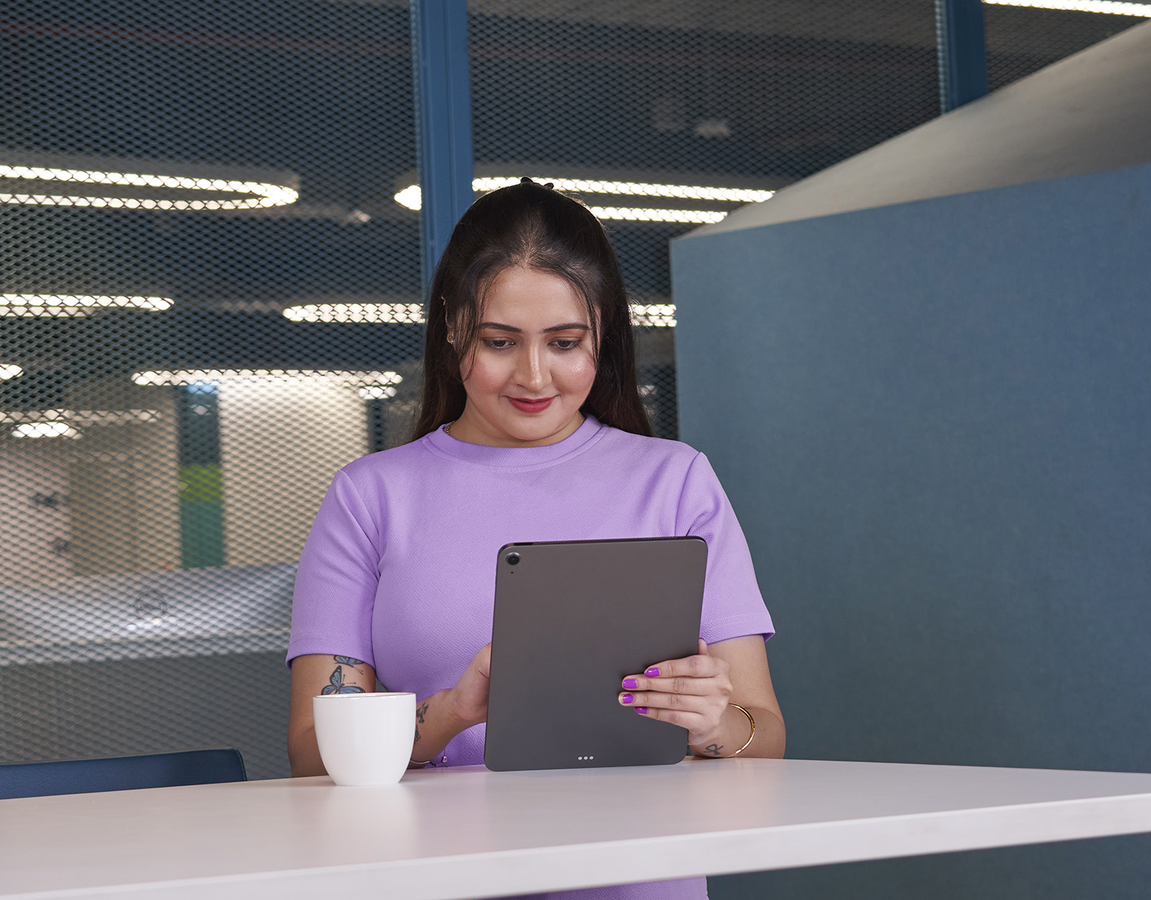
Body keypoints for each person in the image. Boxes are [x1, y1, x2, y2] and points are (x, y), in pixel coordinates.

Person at [285, 178, 784, 900]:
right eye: (499, 342)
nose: (532, 375)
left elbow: (763, 735)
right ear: (453, 325)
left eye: (565, 343)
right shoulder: (368, 497)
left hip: (641, 882)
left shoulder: (677, 482)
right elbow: (310, 754)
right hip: (440, 881)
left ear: (603, 334)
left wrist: (711, 723)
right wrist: (454, 711)